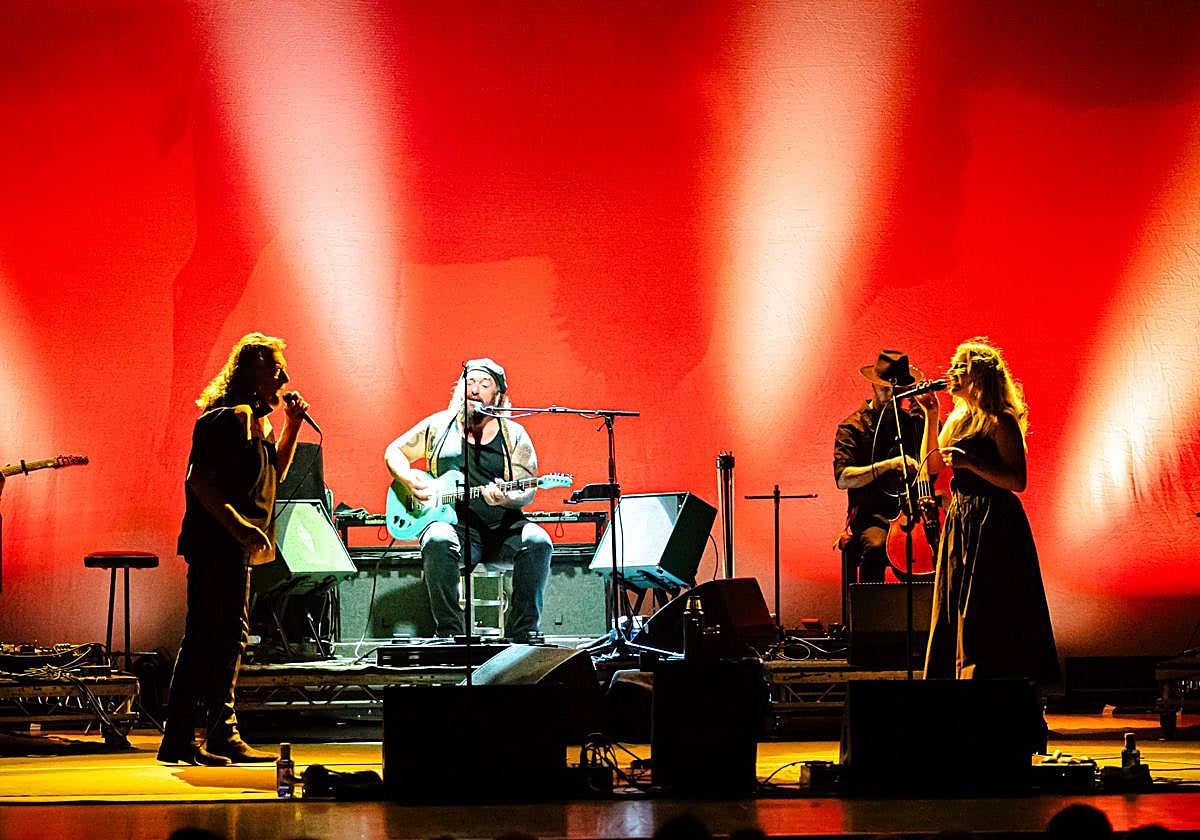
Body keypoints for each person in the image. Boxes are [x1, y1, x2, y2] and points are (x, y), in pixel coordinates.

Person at [158, 332, 310, 766]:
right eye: (275, 369)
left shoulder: (257, 419)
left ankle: (201, 736)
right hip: (217, 545)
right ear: (250, 371)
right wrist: (240, 525)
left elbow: (274, 473)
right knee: (212, 637)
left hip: (233, 547)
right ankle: (197, 736)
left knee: (222, 638)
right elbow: (200, 479)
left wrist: (292, 425)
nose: (284, 377)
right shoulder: (229, 416)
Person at [919, 337, 1058, 684]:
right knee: (954, 605)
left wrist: (973, 463)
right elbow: (930, 467)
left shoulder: (1001, 420)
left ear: (978, 375)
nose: (950, 372)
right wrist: (932, 416)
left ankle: (990, 683)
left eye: (959, 367)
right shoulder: (958, 419)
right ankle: (954, 680)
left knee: (988, 606)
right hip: (962, 518)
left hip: (994, 521)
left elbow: (1016, 480)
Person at [384, 359, 552, 642]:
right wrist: (407, 478)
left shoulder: (514, 434)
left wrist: (506, 497)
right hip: (454, 527)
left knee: (539, 542)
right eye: (469, 382)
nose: (474, 389)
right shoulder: (439, 425)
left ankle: (522, 635)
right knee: (436, 539)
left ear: (498, 396)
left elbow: (529, 489)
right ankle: (449, 634)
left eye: (484, 385)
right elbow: (394, 451)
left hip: (504, 529)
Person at [833, 349, 928, 625]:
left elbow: (935, 460)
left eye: (898, 390)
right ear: (874, 385)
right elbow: (843, 478)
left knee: (932, 551)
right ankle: (870, 627)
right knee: (875, 548)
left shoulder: (912, 422)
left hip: (911, 515)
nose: (892, 396)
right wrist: (888, 465)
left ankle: (923, 630)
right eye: (887, 389)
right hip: (871, 516)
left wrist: (929, 415)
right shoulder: (853, 426)